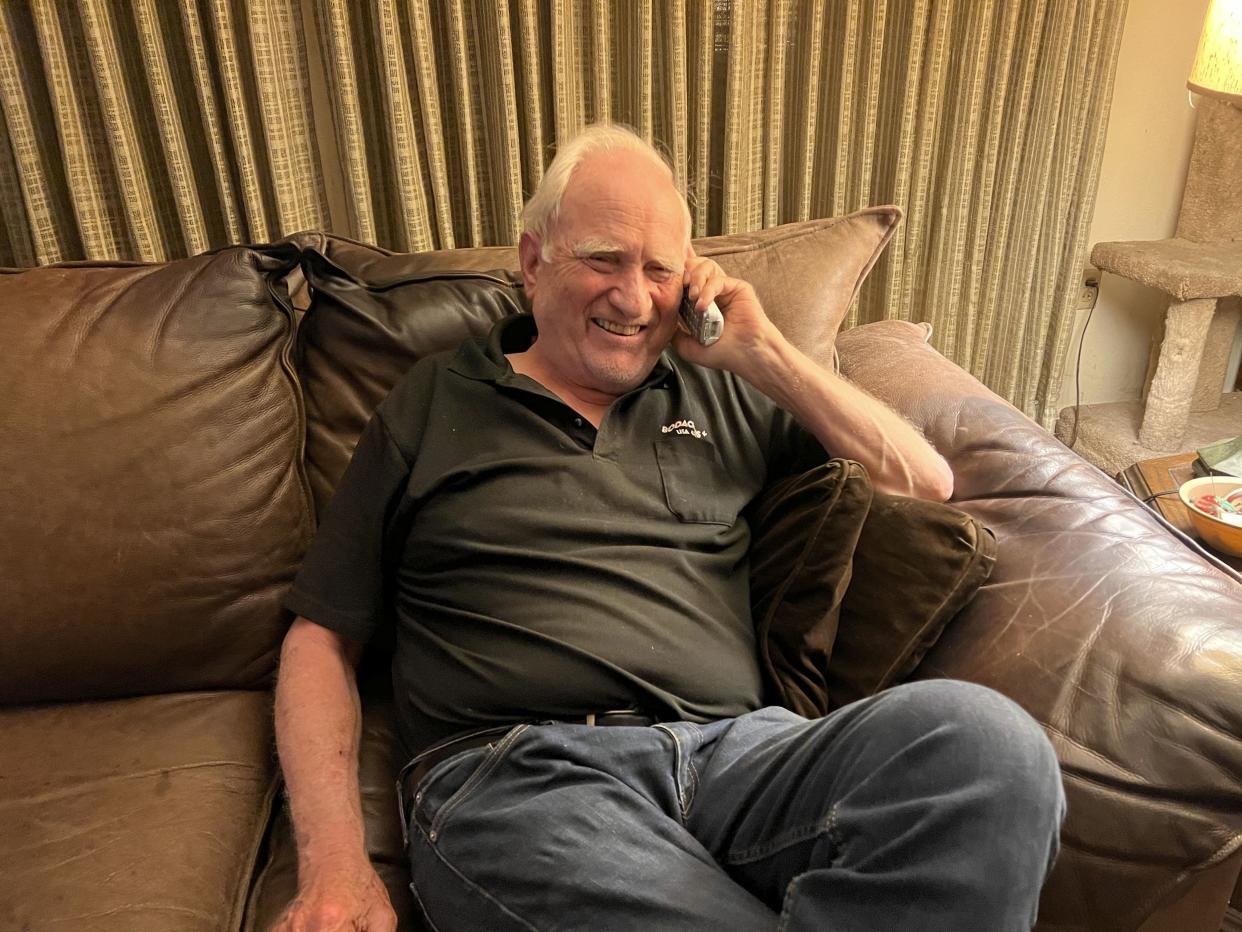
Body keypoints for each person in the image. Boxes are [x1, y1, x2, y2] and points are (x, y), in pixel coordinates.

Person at [273, 124, 1064, 932]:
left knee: (990, 750)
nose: (634, 296)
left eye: (659, 269)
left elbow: (922, 481)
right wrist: (335, 865)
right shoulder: (433, 401)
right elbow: (319, 639)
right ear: (534, 259)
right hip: (523, 780)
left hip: (740, 756)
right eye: (604, 259)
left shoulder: (723, 392)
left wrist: (763, 355)